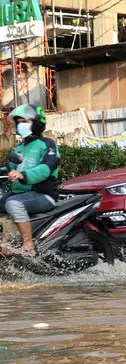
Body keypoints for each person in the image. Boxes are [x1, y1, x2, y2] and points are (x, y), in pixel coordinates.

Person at [1, 105, 60, 257]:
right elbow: (8, 169)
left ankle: (28, 244)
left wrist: (23, 175)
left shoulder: (47, 144)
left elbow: (46, 169)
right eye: (18, 122)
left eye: (24, 121)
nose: (20, 125)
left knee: (13, 203)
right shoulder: (20, 148)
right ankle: (6, 241)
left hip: (43, 195)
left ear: (37, 123)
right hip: (21, 194)